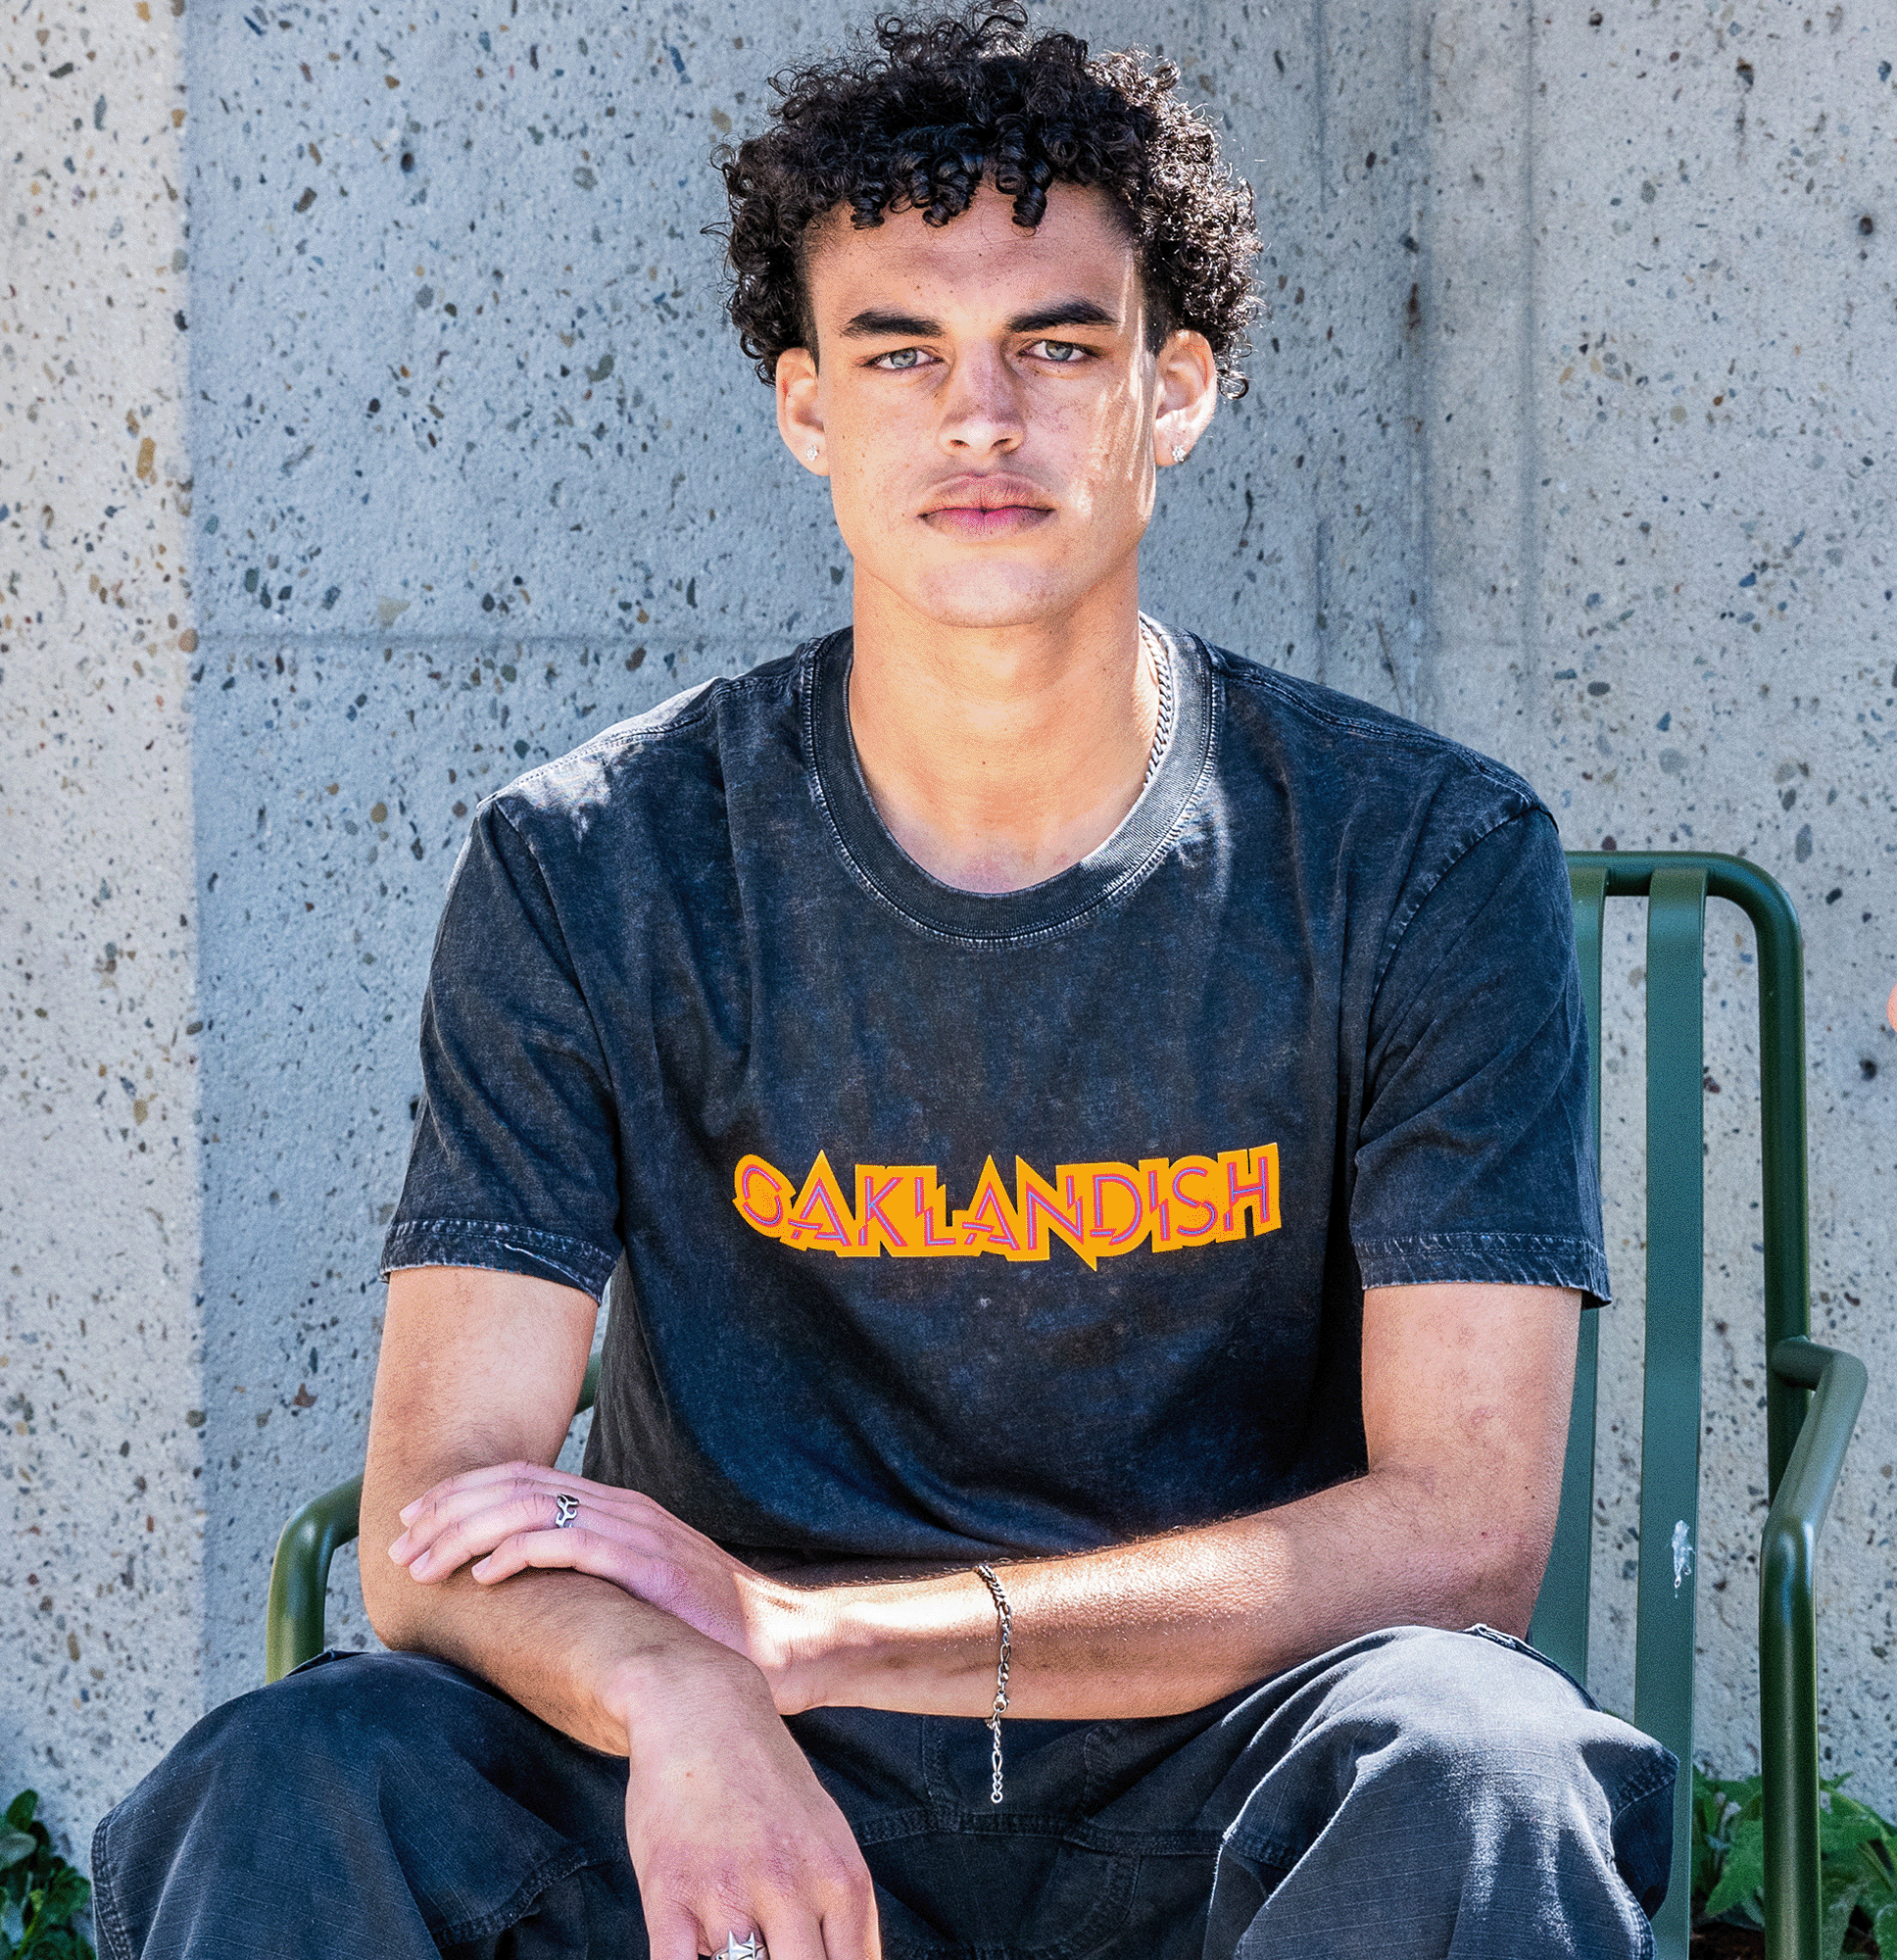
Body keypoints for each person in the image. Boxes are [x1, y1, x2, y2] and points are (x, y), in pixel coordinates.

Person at [92, 8, 1677, 1957]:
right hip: (743, 1799)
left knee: (1477, 1766)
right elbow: (444, 1502)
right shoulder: (596, 864)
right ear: (804, 407)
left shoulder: (1417, 859)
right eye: (900, 350)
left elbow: (1461, 1534)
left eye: (1060, 347)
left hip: (1222, 1789)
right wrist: (692, 1691)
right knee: (300, 1783)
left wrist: (830, 1635)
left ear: (1175, 390)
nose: (979, 420)